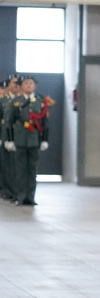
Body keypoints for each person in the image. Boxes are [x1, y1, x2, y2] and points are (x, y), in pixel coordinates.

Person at [3, 76, 52, 206]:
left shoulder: (40, 101)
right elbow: (9, 122)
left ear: (35, 86)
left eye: (31, 83)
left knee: (32, 170)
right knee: (20, 170)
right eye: (26, 83)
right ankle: (20, 196)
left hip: (34, 139)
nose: (29, 85)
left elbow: (44, 122)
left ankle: (30, 197)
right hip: (19, 139)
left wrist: (44, 139)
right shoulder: (15, 102)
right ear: (21, 86)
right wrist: (9, 140)